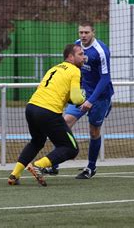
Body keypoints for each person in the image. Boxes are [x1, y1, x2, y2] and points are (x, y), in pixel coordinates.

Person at [8, 44, 86, 187]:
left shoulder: (55, 68)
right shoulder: (74, 71)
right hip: (48, 111)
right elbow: (76, 99)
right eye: (80, 54)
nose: (84, 57)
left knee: (37, 141)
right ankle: (38, 166)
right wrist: (84, 99)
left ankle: (15, 174)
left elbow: (60, 93)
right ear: (70, 57)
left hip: (31, 107)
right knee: (71, 148)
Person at [45, 21, 114, 179]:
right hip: (82, 94)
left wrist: (91, 100)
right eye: (81, 32)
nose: (83, 35)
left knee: (94, 131)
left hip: (100, 96)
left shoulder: (101, 51)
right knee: (64, 123)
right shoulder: (76, 46)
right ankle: (54, 165)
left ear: (93, 33)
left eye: (86, 33)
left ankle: (90, 167)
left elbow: (105, 79)